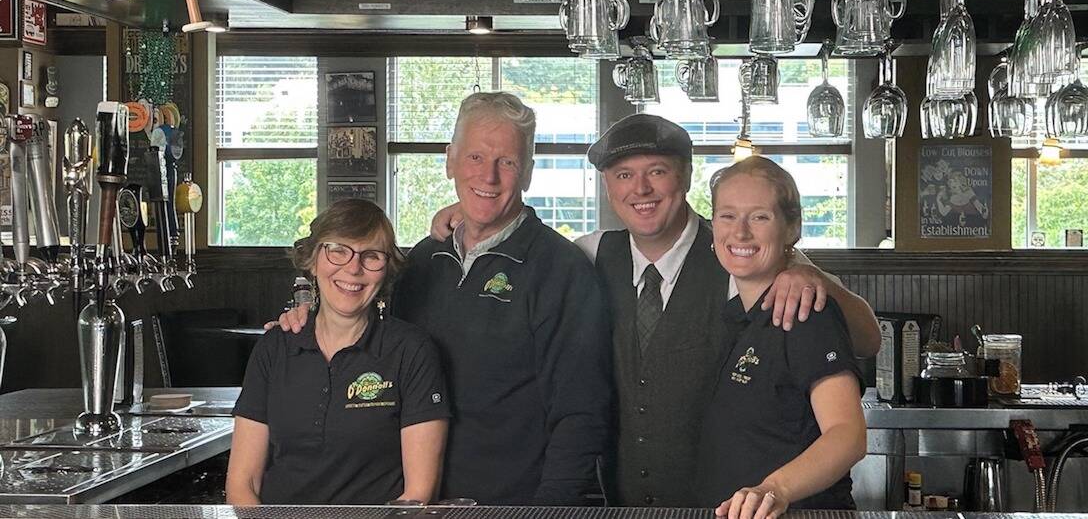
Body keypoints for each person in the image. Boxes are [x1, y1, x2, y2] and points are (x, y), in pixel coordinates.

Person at [430, 113, 879, 507]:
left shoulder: (735, 255)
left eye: (657, 172)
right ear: (607, 185)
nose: (640, 188)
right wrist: (472, 210)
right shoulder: (587, 255)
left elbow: (866, 339)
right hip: (624, 503)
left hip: (727, 504)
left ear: (684, 177)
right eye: (623, 175)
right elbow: (522, 238)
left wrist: (807, 273)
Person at [276, 92, 612, 506]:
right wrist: (304, 321)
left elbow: (581, 414)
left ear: (527, 172)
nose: (488, 176)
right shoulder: (421, 261)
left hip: (510, 506)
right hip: (407, 501)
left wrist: (547, 513)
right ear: (450, 159)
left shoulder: (561, 270)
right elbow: (361, 335)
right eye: (474, 158)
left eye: (506, 162)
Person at [228, 199, 450, 506]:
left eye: (371, 255)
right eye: (338, 250)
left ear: (385, 270)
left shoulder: (411, 351)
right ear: (313, 260)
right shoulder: (275, 347)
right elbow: (243, 483)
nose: (353, 268)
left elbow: (417, 495)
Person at [695, 157, 866, 519]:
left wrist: (775, 488)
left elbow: (847, 434)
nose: (740, 232)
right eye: (727, 216)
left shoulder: (806, 311)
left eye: (760, 217)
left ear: (791, 229)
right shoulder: (735, 315)